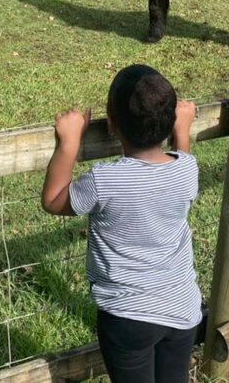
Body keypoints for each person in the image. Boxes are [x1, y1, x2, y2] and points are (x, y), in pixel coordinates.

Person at [42, 64, 201, 383]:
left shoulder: (105, 181)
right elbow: (180, 159)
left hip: (127, 316)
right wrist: (182, 131)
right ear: (170, 121)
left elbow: (53, 200)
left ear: (111, 124)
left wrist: (69, 143)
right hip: (182, 307)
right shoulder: (187, 169)